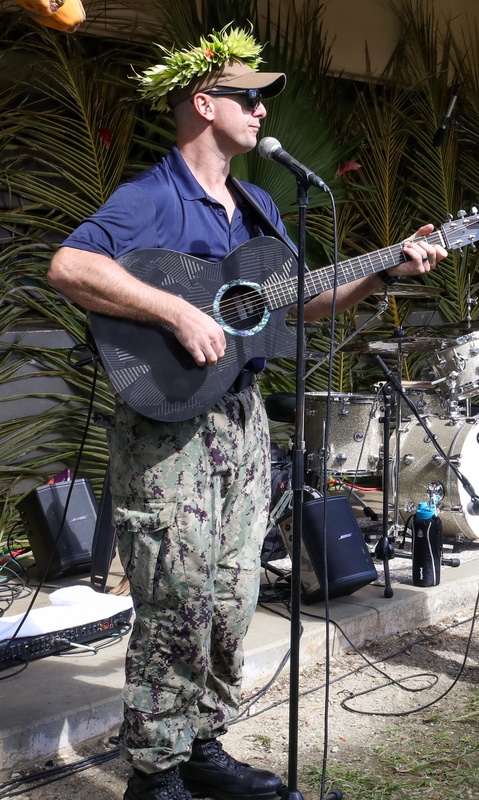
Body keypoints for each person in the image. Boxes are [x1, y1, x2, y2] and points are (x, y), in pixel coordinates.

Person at [47, 29, 445, 800]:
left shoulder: (258, 205)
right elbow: (71, 265)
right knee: (178, 590)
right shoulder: (152, 195)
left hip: (241, 414)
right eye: (249, 97)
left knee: (232, 589)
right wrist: (174, 311)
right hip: (168, 427)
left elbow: (307, 298)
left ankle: (202, 745)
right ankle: (154, 774)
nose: (263, 111)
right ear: (203, 105)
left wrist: (384, 268)